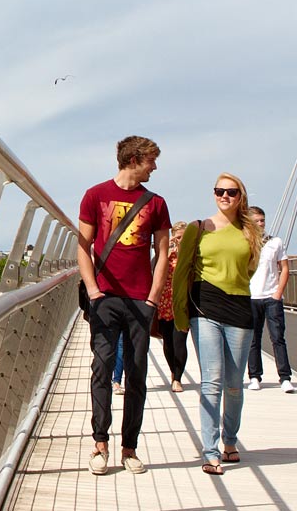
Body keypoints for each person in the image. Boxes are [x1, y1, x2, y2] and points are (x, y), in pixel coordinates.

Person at [75, 135, 172, 476]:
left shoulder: (156, 203)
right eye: (151, 161)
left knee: (137, 374)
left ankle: (129, 448)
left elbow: (163, 253)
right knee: (102, 367)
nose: (155, 167)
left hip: (139, 299)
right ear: (134, 160)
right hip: (104, 297)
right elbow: (82, 245)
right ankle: (99, 444)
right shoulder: (95, 195)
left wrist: (153, 297)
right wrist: (93, 289)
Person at [173, 173, 261, 476]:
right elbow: (181, 272)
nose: (224, 196)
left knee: (234, 384)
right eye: (219, 191)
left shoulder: (249, 232)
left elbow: (249, 270)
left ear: (240, 196)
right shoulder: (199, 229)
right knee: (212, 380)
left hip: (238, 308)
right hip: (204, 307)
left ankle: (230, 439)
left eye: (231, 192)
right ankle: (210, 451)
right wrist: (181, 316)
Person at [245, 207, 294, 393]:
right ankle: (255, 376)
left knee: (277, 337)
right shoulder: (245, 242)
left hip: (271, 296)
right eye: (256, 221)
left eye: (262, 220)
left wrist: (278, 293)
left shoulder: (275, 242)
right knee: (252, 339)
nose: (260, 224)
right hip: (251, 296)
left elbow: (285, 268)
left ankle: (284, 377)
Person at [153, 222, 188, 393]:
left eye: (183, 238)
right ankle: (173, 372)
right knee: (168, 342)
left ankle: (178, 378)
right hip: (164, 303)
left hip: (182, 304)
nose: (180, 241)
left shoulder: (189, 255)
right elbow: (154, 267)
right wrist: (167, 247)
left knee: (180, 341)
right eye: (178, 237)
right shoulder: (165, 255)